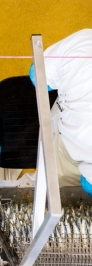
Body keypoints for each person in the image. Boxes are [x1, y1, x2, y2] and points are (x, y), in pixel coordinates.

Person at [30, 29, 92, 196]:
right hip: (68, 146)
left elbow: (38, 76)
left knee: (50, 191)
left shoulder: (84, 41)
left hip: (67, 145)